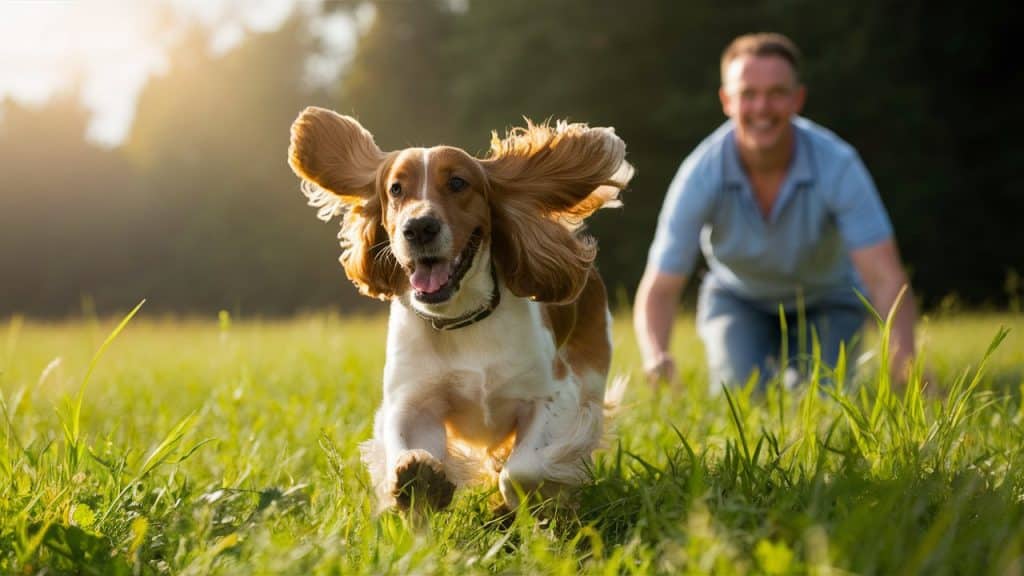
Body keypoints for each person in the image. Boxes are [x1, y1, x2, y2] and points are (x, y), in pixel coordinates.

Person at [634, 32, 918, 390]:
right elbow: (661, 286)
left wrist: (906, 366)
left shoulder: (838, 164)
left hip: (828, 299)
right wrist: (655, 355)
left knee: (823, 402)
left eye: (777, 93)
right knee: (739, 398)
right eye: (748, 94)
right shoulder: (700, 172)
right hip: (738, 299)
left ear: (798, 99)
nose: (762, 108)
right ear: (727, 100)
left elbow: (884, 276)